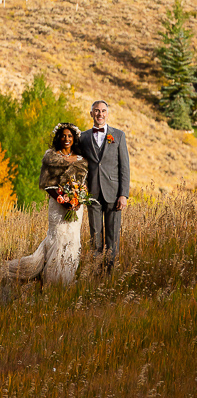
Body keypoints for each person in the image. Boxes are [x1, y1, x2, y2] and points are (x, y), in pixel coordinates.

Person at [0, 123, 89, 285]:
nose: (67, 139)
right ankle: (53, 279)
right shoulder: (51, 157)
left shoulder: (82, 160)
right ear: (58, 138)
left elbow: (84, 182)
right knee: (58, 238)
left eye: (70, 136)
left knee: (73, 239)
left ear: (74, 138)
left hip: (77, 207)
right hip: (58, 205)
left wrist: (79, 199)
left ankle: (67, 277)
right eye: (63, 136)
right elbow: (46, 184)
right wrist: (62, 200)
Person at [76, 100, 130, 274]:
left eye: (103, 111)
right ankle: (96, 273)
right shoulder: (83, 137)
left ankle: (110, 274)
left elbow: (124, 167)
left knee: (112, 237)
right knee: (95, 237)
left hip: (114, 194)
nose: (100, 114)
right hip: (92, 194)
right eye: (96, 111)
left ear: (107, 113)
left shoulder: (119, 136)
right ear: (91, 113)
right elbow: (79, 165)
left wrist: (124, 194)